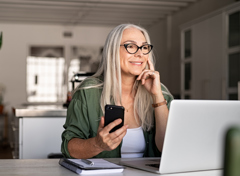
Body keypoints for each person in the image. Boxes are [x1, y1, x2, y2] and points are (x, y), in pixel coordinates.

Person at [61, 24, 174, 159]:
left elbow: (169, 148)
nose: (139, 54)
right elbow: (69, 148)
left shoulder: (160, 92)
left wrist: (157, 97)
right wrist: (97, 144)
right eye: (130, 46)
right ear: (112, 51)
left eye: (144, 47)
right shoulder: (88, 92)